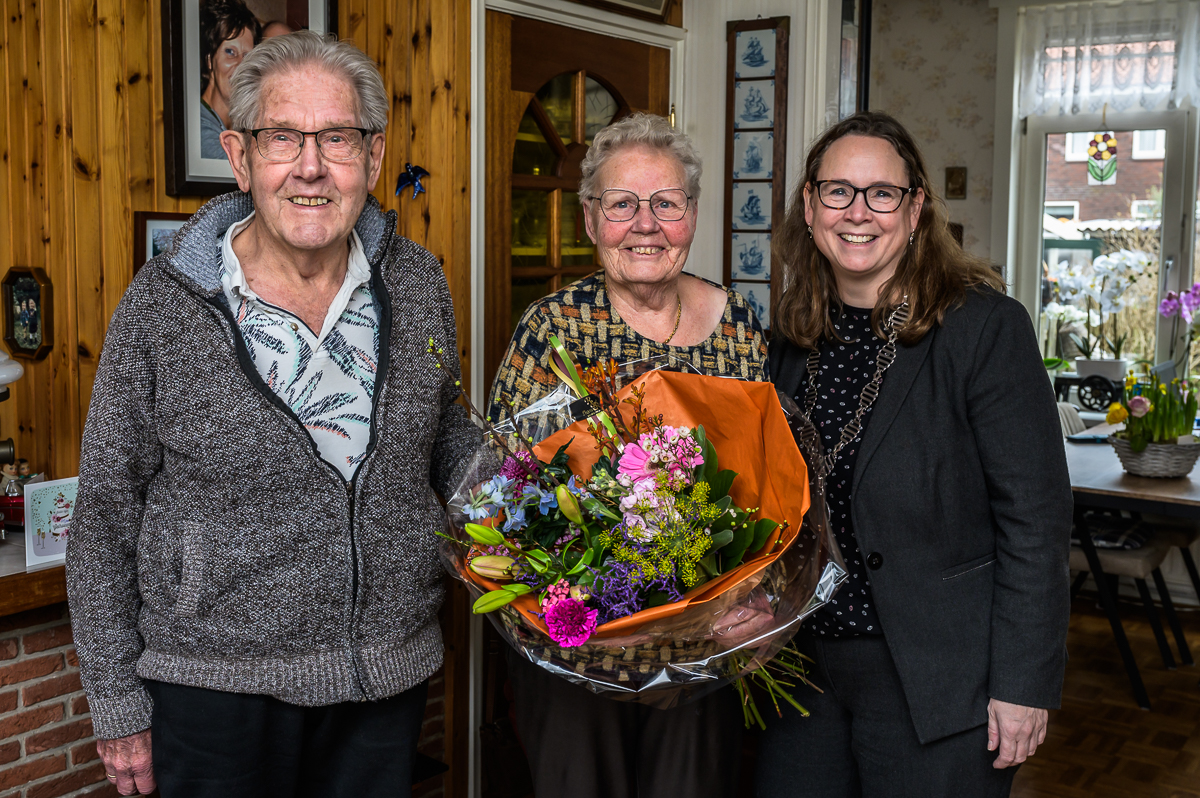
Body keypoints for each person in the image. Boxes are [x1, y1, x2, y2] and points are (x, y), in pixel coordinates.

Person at [66, 31, 485, 797]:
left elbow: (441, 426)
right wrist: (116, 700)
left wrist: (522, 498)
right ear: (240, 155)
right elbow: (104, 509)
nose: (311, 167)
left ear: (375, 155)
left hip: (382, 676)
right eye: (283, 137)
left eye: (338, 138)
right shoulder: (163, 306)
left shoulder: (419, 282)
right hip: (214, 687)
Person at [757, 112, 1071, 797]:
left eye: (882, 193)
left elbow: (1036, 521)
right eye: (838, 191)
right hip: (800, 667)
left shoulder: (984, 329)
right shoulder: (790, 334)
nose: (858, 212)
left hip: (939, 678)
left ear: (916, 207)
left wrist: (1024, 684)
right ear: (810, 207)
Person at [487, 112, 767, 798]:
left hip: (706, 646)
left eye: (665, 203)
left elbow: (770, 485)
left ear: (692, 215)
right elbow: (502, 483)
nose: (646, 224)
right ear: (590, 219)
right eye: (622, 204)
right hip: (583, 650)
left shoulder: (740, 326)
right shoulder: (553, 328)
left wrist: (759, 596)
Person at [199, 0, 261, 159]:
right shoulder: (198, 128)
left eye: (247, 56)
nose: (241, 66)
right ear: (209, 61)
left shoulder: (247, 125)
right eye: (230, 52)